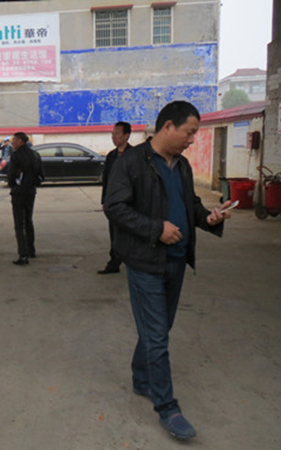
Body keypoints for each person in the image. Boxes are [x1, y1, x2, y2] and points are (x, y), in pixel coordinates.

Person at [104, 101, 232, 440]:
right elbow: (113, 206)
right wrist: (155, 228)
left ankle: (141, 377)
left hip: (176, 259)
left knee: (158, 329)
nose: (192, 140)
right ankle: (167, 407)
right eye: (189, 133)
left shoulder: (183, 166)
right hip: (145, 261)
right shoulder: (131, 162)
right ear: (168, 127)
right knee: (158, 336)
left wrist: (209, 218)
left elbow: (190, 205)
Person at [98, 121, 133, 274]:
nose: (114, 137)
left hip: (130, 203)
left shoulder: (135, 155)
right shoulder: (111, 156)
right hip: (113, 203)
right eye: (112, 134)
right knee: (114, 234)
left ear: (126, 135)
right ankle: (114, 263)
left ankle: (133, 262)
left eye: (117, 134)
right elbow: (106, 180)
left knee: (130, 233)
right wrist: (105, 201)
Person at [7, 132, 44, 265]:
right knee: (28, 220)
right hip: (31, 192)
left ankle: (23, 255)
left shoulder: (16, 156)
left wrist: (13, 185)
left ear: (21, 141)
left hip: (19, 193)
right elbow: (41, 174)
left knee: (19, 223)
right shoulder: (35, 155)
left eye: (14, 140)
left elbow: (11, 175)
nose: (12, 142)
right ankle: (31, 250)